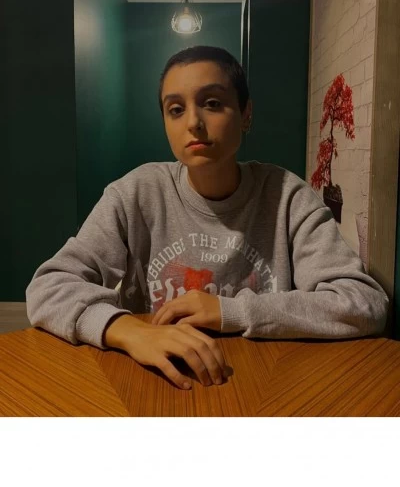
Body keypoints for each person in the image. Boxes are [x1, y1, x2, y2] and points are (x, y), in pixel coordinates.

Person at [26, 45, 389, 390]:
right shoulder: (135, 193)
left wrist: (229, 311)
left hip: (265, 380)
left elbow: (362, 302)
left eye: (212, 103)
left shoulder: (287, 197)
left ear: (246, 113)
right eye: (175, 109)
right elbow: (49, 286)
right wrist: (128, 330)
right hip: (155, 380)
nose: (194, 122)